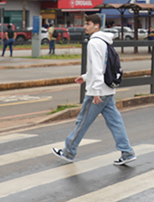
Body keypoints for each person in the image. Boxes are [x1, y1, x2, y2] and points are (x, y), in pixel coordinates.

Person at [52, 13, 137, 166]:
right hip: (108, 90)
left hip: (97, 92)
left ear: (96, 25)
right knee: (115, 122)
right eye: (85, 23)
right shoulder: (104, 41)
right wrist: (85, 77)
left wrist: (96, 92)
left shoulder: (93, 43)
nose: (85, 26)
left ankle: (68, 152)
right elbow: (100, 67)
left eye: (88, 24)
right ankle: (127, 152)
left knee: (82, 122)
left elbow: (98, 69)